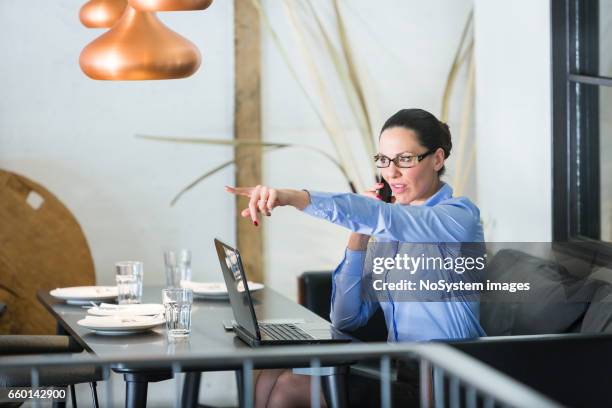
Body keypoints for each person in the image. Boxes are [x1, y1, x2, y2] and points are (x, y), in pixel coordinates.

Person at [225, 108, 485, 407]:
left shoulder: (457, 218)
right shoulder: (388, 232)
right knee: (270, 375)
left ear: (437, 159)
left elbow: (386, 217)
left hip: (447, 381)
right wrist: (359, 234)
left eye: (405, 159)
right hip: (400, 370)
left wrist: (294, 197)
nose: (391, 172)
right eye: (385, 160)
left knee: (288, 387)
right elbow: (345, 318)